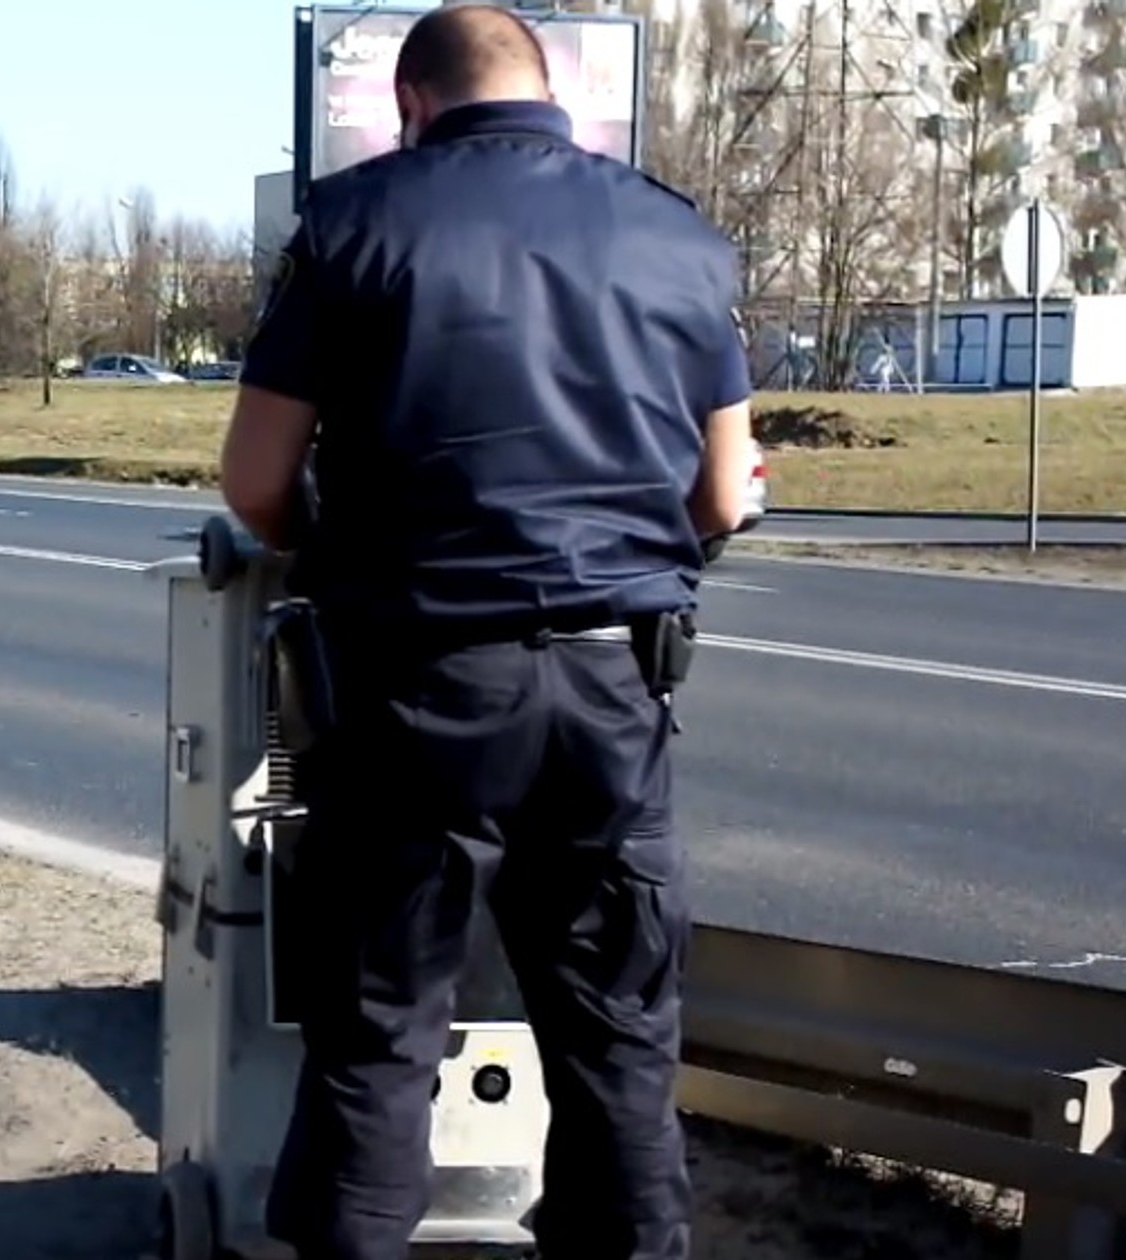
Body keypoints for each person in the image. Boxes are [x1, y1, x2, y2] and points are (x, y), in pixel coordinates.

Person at [217, 6, 756, 1260]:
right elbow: (724, 497)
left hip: (416, 687)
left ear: (410, 103)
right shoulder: (682, 239)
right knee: (618, 1029)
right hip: (615, 685)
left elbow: (254, 483)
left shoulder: (355, 227)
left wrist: (327, 533)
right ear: (550, 93)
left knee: (381, 1030)